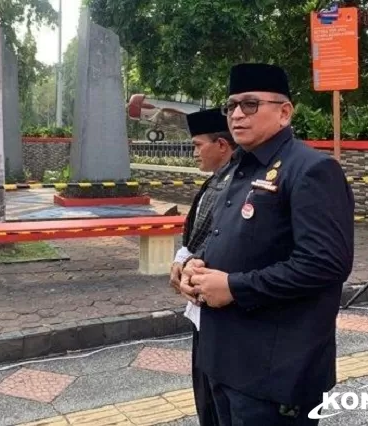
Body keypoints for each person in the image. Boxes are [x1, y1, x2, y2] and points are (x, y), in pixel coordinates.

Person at [179, 63, 355, 425]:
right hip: (222, 359)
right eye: (231, 106)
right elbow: (234, 242)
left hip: (274, 371)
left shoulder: (310, 170)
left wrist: (234, 286)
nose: (237, 115)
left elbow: (325, 264)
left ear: (285, 112)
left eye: (250, 105)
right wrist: (194, 268)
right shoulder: (239, 169)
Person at [168, 108, 238, 426]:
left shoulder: (237, 184)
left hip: (223, 305)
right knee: (206, 393)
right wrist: (181, 260)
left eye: (198, 145)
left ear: (222, 145)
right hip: (202, 300)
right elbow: (196, 235)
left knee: (217, 398)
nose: (194, 152)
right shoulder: (216, 181)